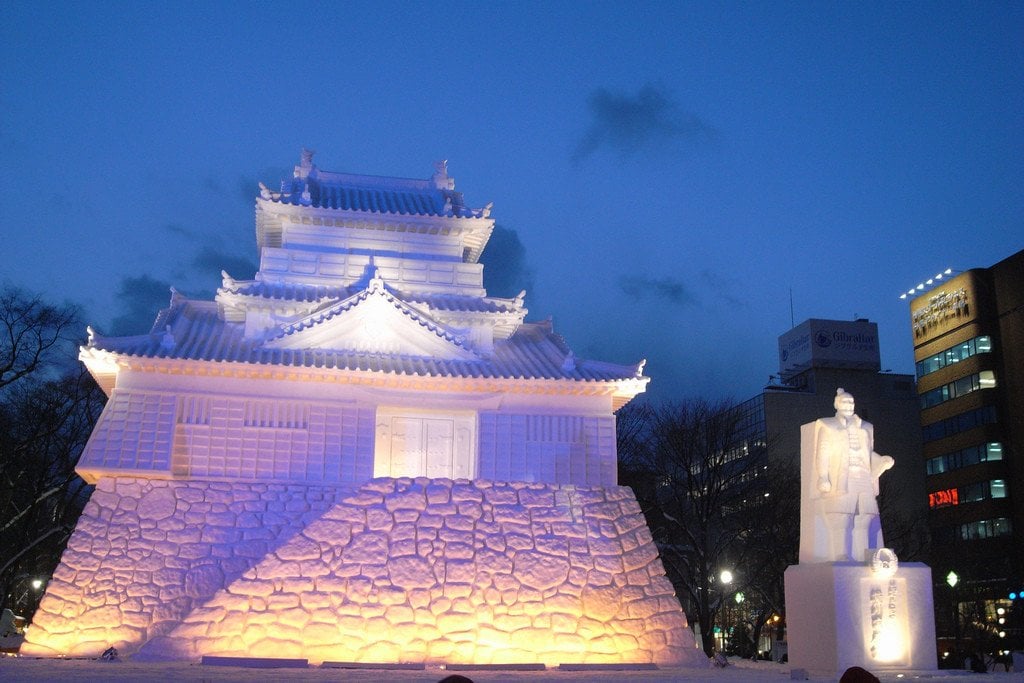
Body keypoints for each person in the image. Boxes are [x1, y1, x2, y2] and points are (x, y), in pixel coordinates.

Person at [813, 388, 894, 562]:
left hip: (863, 476)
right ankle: (842, 554)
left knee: (866, 515)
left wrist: (882, 461)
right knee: (842, 516)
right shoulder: (828, 426)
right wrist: (823, 477)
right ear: (836, 404)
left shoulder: (865, 427)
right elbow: (823, 454)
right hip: (843, 477)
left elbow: (868, 453)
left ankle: (865, 554)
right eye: (845, 402)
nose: (849, 405)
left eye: (851, 402)